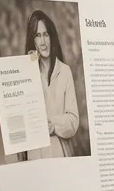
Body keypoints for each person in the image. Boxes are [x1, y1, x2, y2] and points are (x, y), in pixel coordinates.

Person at [24, 9, 80, 159]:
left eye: (46, 34)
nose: (43, 42)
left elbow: (74, 120)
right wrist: (29, 67)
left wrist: (54, 125)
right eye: (37, 35)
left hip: (59, 154)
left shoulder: (64, 71)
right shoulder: (28, 74)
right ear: (33, 40)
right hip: (35, 156)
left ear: (51, 36)